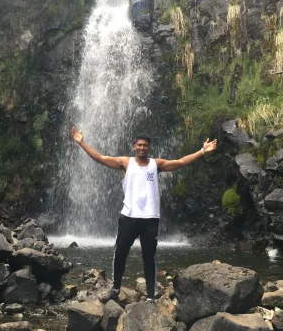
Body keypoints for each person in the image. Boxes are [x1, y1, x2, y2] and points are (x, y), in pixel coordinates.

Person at [71, 127, 217, 302]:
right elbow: (100, 158)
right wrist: (81, 143)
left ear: (149, 147)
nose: (142, 148)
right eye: (139, 145)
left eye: (145, 145)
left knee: (149, 257)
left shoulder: (157, 165)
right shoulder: (125, 163)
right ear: (134, 146)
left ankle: (150, 296)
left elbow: (181, 162)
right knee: (120, 253)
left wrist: (202, 151)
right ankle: (116, 288)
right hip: (129, 217)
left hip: (150, 218)